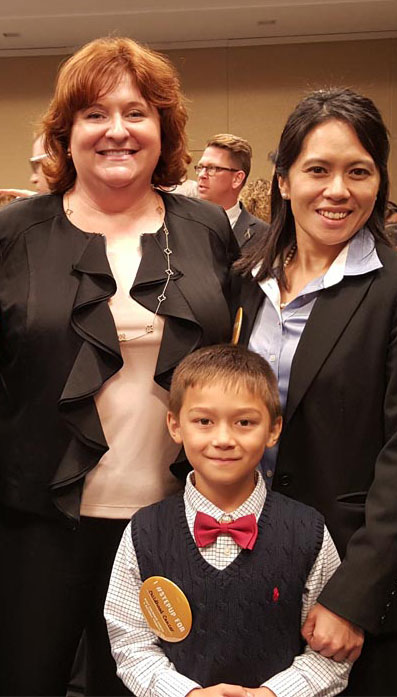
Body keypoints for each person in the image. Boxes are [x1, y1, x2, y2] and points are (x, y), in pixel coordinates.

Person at [0, 36, 237, 697]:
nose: (117, 131)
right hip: (35, 523)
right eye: (94, 113)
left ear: (163, 128)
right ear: (65, 132)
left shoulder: (205, 229)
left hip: (172, 520)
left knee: (148, 686)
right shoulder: (15, 232)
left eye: (137, 112)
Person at [232, 87, 397, 696]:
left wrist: (354, 597)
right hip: (242, 564)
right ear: (284, 181)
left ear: (380, 183)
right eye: (317, 169)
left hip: (352, 575)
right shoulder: (245, 282)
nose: (338, 190)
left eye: (359, 172)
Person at [105, 344, 351, 697]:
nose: (223, 439)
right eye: (204, 421)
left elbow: (329, 652)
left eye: (245, 422)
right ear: (175, 425)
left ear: (273, 429)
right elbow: (131, 642)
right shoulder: (144, 532)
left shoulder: (307, 531)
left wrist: (273, 694)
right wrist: (185, 694)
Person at [195, 134, 269, 247]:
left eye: (212, 168)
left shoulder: (264, 236)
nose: (201, 175)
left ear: (237, 179)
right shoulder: (181, 225)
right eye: (200, 167)